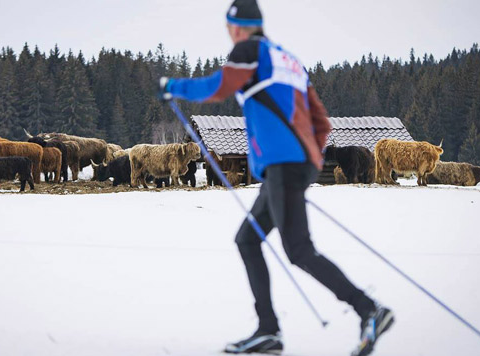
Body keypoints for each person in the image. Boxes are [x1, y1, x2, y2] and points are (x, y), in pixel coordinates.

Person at [158, 1, 394, 355]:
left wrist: (172, 85)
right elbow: (322, 122)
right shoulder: (289, 60)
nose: (229, 33)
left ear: (238, 26)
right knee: (247, 240)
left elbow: (219, 86)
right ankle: (268, 330)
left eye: (229, 27)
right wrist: (309, 161)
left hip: (284, 166)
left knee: (299, 250)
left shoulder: (248, 49)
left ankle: (368, 309)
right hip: (290, 166)